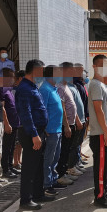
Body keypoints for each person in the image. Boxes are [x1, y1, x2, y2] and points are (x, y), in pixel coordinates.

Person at [15, 59, 49, 210]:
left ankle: (38, 194)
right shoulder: (24, 88)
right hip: (30, 132)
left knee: (38, 164)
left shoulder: (33, 86)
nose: (43, 74)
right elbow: (25, 114)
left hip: (39, 130)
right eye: (41, 71)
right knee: (29, 166)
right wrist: (35, 135)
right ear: (35, 70)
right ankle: (26, 199)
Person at [88, 54, 107, 208]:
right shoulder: (95, 85)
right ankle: (99, 196)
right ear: (95, 67)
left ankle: (104, 190)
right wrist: (105, 132)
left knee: (105, 166)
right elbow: (99, 110)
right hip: (99, 133)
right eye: (102, 65)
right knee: (101, 166)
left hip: (105, 131)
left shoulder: (102, 85)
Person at [39, 65, 69, 195]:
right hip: (50, 130)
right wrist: (45, 127)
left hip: (57, 129)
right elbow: (42, 110)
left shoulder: (53, 88)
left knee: (55, 157)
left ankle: (53, 179)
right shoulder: (45, 89)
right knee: (48, 158)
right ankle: (47, 184)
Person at [56, 62, 84, 181]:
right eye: (70, 72)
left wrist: (76, 120)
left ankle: (65, 172)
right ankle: (60, 175)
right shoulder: (60, 87)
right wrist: (67, 125)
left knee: (67, 149)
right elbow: (62, 108)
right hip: (65, 125)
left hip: (71, 123)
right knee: (63, 151)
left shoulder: (67, 86)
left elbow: (72, 106)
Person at [0, 68, 21, 179]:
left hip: (15, 122)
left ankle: (10, 166)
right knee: (6, 147)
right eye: (12, 77)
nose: (13, 79)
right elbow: (2, 108)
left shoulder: (9, 89)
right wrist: (6, 123)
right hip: (9, 123)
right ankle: (5, 169)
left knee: (12, 146)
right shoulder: (1, 89)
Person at [12, 70, 25, 172]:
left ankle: (19, 161)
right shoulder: (14, 89)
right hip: (16, 118)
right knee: (16, 143)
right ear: (20, 78)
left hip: (22, 119)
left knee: (20, 142)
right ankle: (15, 162)